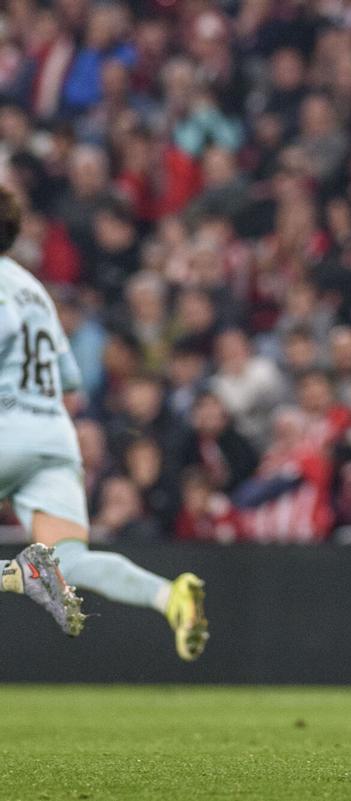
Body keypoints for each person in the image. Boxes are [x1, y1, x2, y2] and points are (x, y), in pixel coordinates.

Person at [0, 186, 207, 660]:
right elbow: (69, 380)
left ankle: (19, 575)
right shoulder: (34, 290)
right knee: (68, 559)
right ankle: (168, 596)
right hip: (52, 436)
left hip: (7, 427)